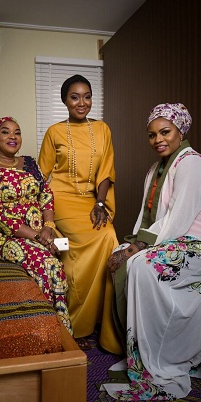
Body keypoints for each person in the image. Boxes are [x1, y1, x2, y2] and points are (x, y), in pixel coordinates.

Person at [102, 103, 201, 401]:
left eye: (165, 132)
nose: (158, 140)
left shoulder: (192, 163)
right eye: (152, 135)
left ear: (180, 131)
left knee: (142, 264)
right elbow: (146, 216)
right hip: (177, 238)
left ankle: (163, 358)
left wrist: (138, 247)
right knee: (123, 256)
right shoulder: (155, 169)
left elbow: (179, 217)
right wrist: (130, 244)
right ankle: (140, 353)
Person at [38, 74, 121, 354]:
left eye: (87, 96)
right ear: (65, 101)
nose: (81, 102)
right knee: (75, 248)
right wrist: (43, 218)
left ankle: (104, 326)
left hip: (91, 201)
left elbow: (106, 171)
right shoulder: (54, 132)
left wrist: (100, 204)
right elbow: (41, 177)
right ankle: (72, 324)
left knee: (108, 237)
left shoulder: (102, 129)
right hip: (62, 200)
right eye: (75, 97)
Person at [0, 116, 73, 335]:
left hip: (41, 230)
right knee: (50, 266)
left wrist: (48, 226)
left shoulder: (30, 163)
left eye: (17, 132)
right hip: (6, 235)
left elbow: (46, 194)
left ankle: (64, 333)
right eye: (5, 132)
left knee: (69, 254)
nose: (13, 136)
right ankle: (49, 333)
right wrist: (38, 237)